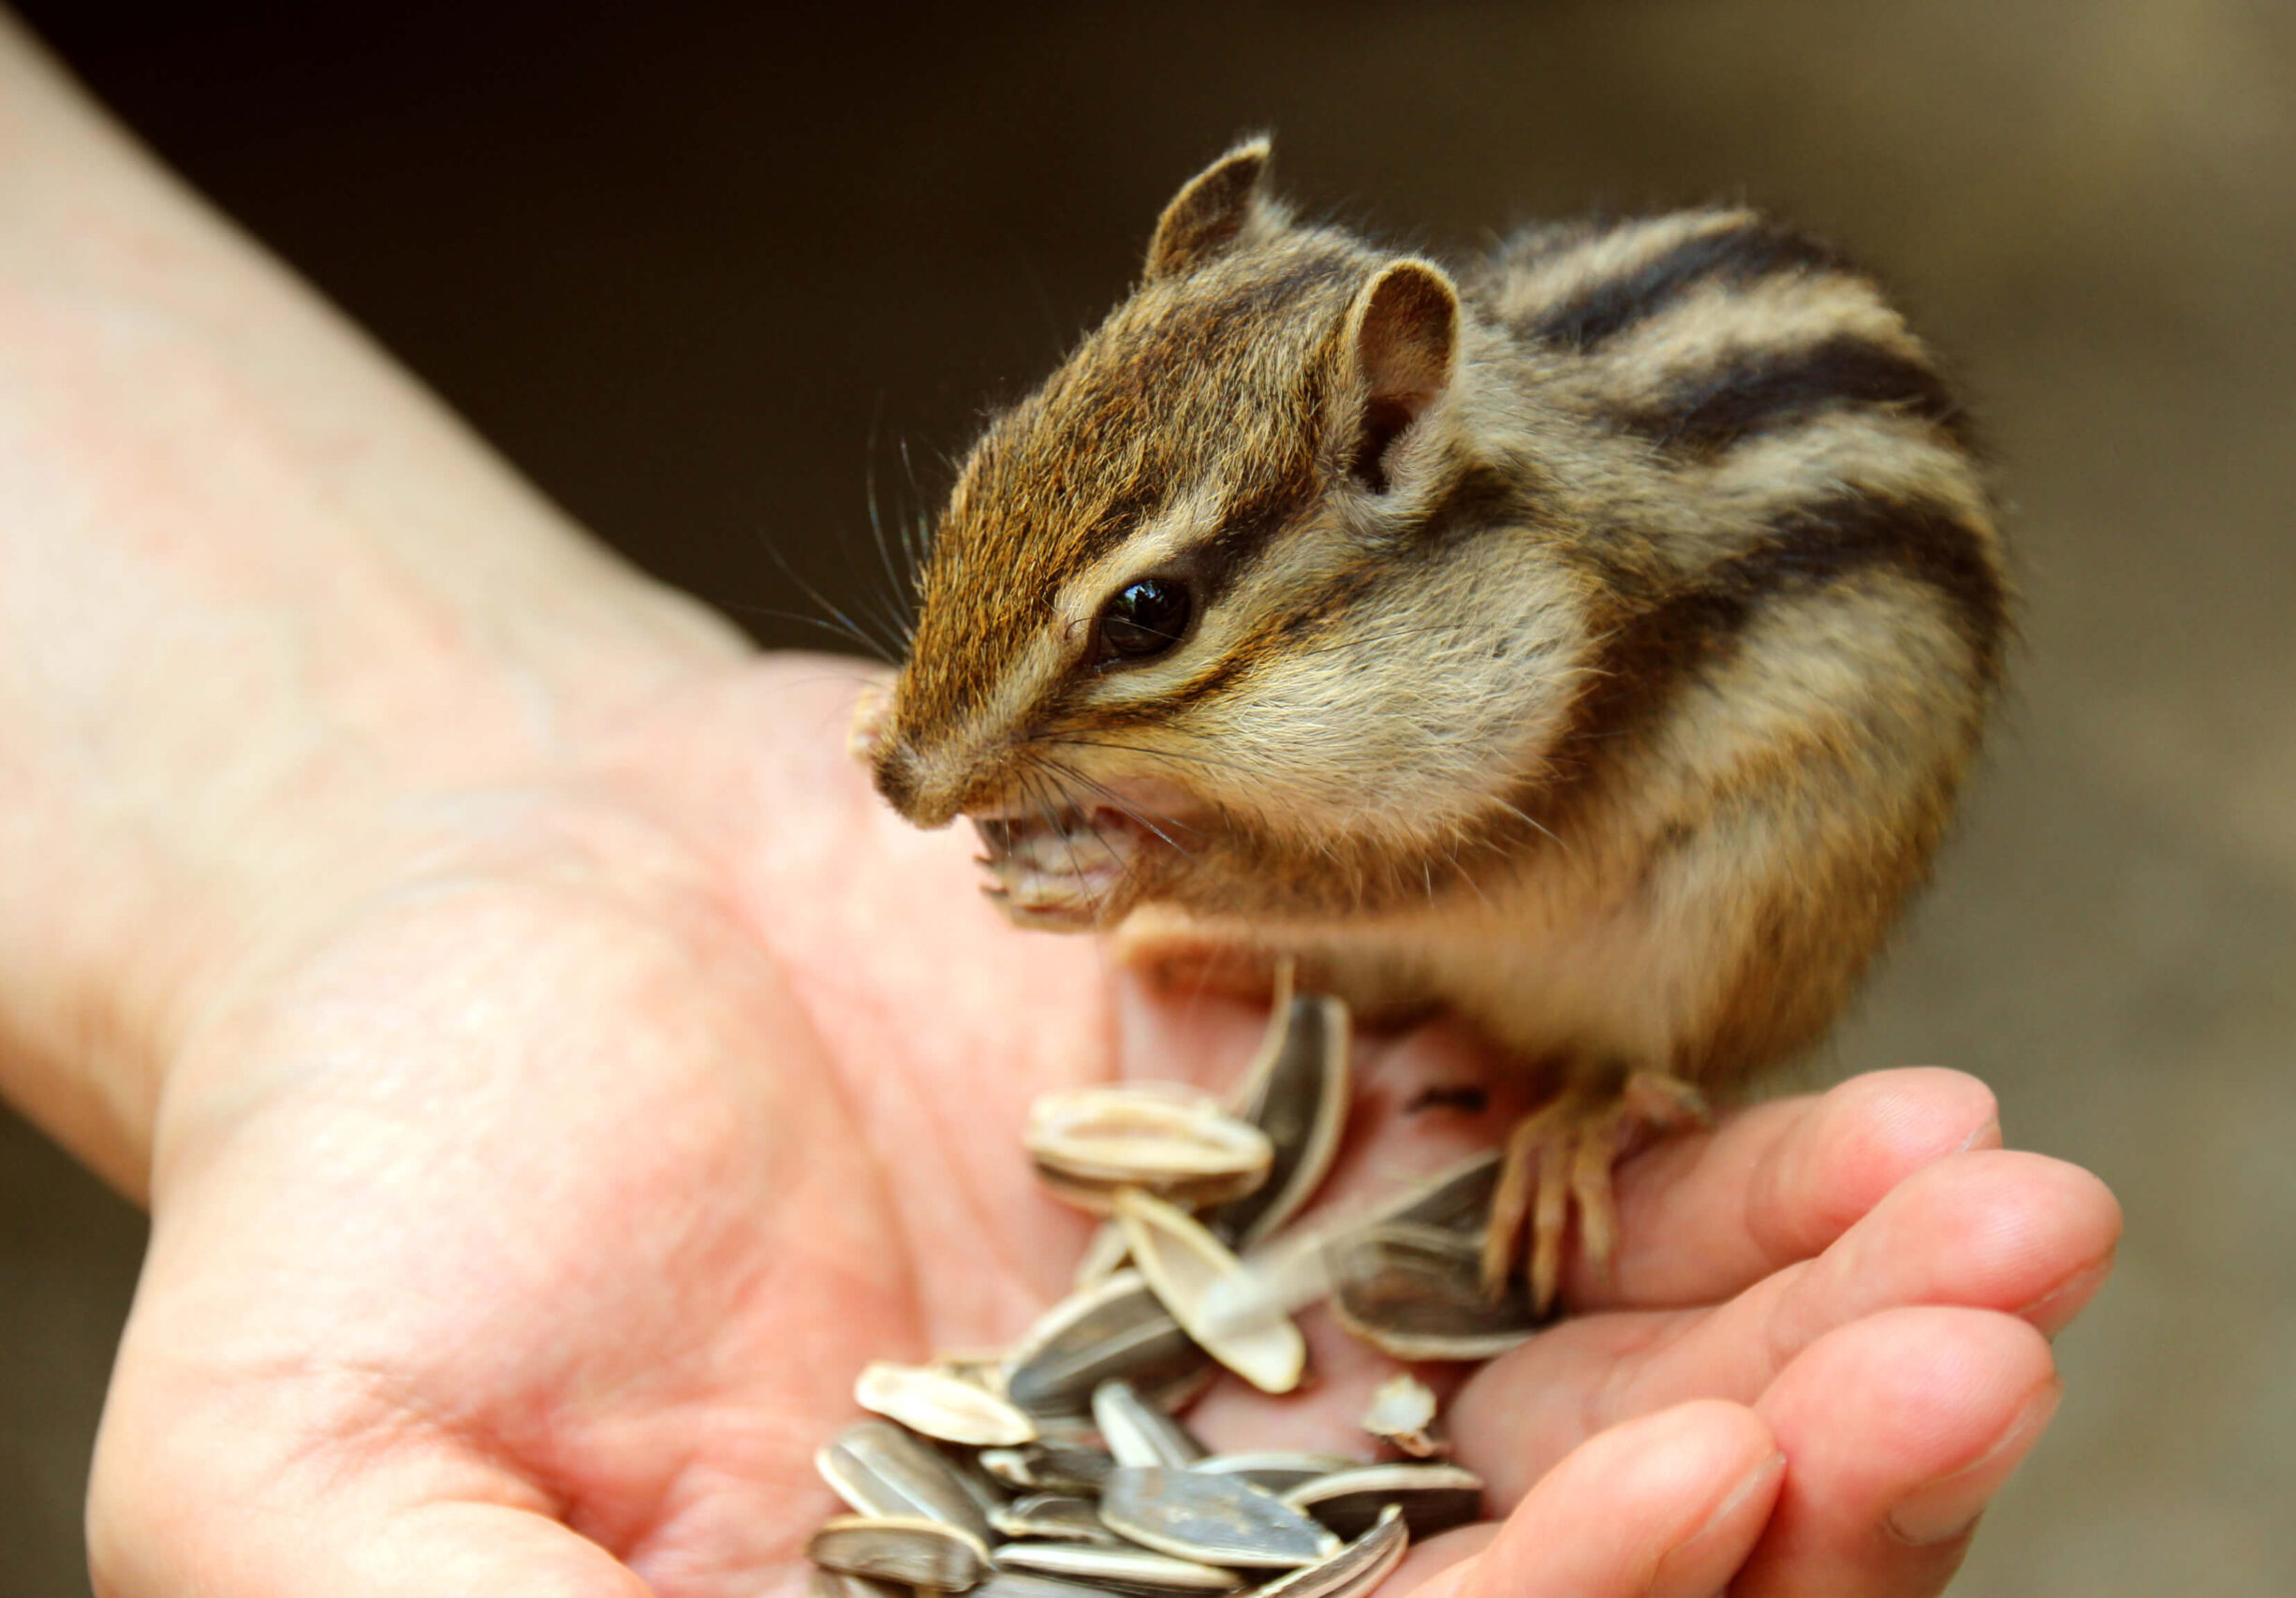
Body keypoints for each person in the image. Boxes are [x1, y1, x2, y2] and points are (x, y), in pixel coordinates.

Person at [0, 16, 2120, 1596]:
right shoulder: (1341, 549)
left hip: (1740, 763)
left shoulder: (1530, 621)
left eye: (1148, 622)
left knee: (1627, 902)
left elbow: (1466, 843)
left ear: (1396, 434)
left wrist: (1191, 858)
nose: (927, 775)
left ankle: (1636, 1081)